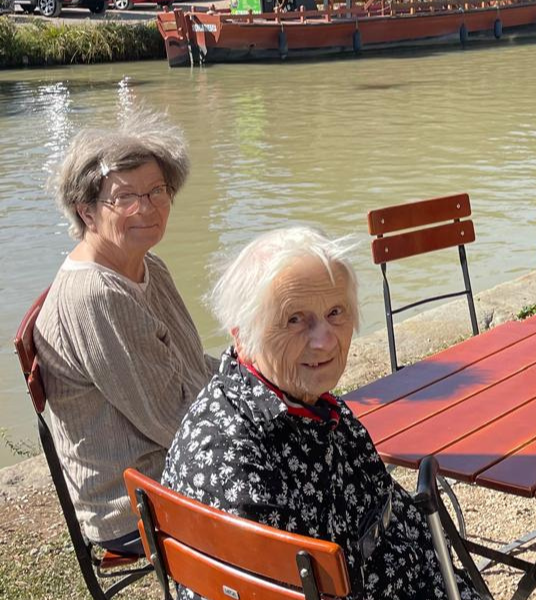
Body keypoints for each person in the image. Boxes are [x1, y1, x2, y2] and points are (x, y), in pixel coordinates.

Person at [162, 227, 481, 600]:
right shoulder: (229, 454)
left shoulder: (309, 406)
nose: (325, 339)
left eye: (335, 313)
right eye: (295, 319)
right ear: (242, 334)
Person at [33, 111, 215, 556]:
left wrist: (255, 375)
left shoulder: (148, 265)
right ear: (87, 212)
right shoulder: (96, 296)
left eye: (157, 191)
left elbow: (191, 367)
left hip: (172, 462)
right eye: (126, 197)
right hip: (134, 501)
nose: (148, 207)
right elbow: (173, 419)